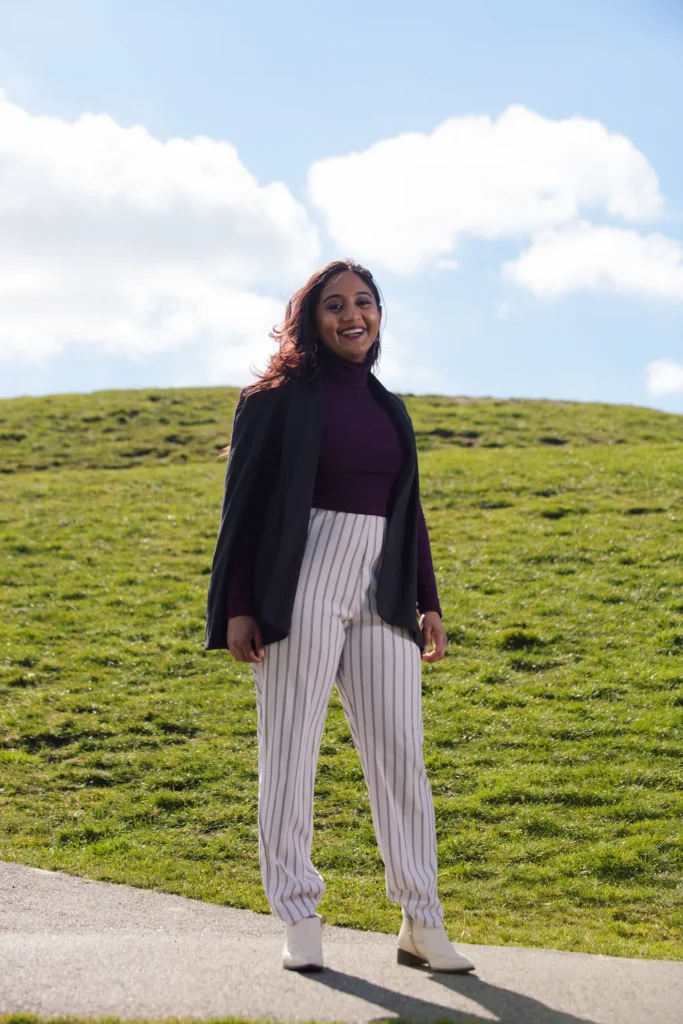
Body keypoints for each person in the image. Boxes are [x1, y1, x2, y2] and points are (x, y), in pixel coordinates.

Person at [206, 258, 475, 975]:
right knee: (289, 755)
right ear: (311, 318)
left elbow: (406, 511)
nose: (352, 315)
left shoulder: (390, 407)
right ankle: (298, 915)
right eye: (335, 304)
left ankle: (421, 921)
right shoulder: (274, 401)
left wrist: (428, 602)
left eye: (364, 302)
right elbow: (244, 510)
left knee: (400, 762)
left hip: (381, 591)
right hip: (299, 585)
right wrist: (237, 608)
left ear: (379, 315)